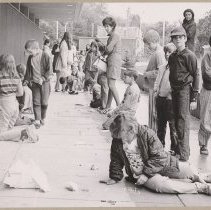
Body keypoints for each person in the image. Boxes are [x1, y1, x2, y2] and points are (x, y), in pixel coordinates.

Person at [100, 113, 211, 196]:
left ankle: (201, 177)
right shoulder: (118, 140)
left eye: (122, 136)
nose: (121, 140)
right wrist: (114, 177)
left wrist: (146, 174)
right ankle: (199, 187)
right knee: (161, 185)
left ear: (131, 129)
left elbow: (160, 156)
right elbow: (115, 159)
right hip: (142, 174)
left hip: (161, 164)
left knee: (188, 170)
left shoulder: (147, 134)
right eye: (118, 137)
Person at [168, 26, 199, 161]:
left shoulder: (190, 55)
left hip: (184, 91)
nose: (178, 40)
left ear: (185, 39)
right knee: (174, 121)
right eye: (175, 38)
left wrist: (194, 98)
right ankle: (176, 150)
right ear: (173, 40)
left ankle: (184, 154)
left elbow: (196, 76)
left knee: (183, 121)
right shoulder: (172, 56)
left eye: (180, 37)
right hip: (174, 91)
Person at [0, 54, 38, 143]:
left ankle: (25, 133)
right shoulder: (16, 76)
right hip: (14, 105)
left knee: (1, 134)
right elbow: (20, 93)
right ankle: (25, 133)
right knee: (8, 130)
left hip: (5, 106)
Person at [153, 43, 178, 154]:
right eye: (166, 52)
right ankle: (160, 145)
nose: (167, 54)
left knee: (173, 125)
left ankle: (174, 148)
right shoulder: (163, 67)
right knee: (161, 124)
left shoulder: (177, 67)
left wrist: (170, 95)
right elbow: (157, 81)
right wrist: (156, 93)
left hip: (170, 100)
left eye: (170, 52)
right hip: (161, 98)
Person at [24, 39, 52, 129]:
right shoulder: (30, 58)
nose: (28, 53)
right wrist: (26, 80)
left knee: (44, 102)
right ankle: (37, 120)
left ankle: (43, 117)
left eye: (29, 51)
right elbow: (28, 71)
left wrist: (43, 78)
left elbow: (50, 70)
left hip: (45, 83)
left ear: (36, 49)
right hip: (35, 82)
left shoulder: (45, 56)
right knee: (36, 101)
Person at [143, 30, 166, 132]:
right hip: (153, 87)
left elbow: (161, 72)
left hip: (155, 88)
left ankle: (153, 134)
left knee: (154, 113)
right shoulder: (157, 52)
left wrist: (147, 74)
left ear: (154, 41)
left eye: (149, 44)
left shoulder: (159, 53)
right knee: (152, 113)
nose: (148, 46)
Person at [100, 17, 122, 114]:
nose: (106, 28)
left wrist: (102, 47)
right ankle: (108, 107)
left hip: (114, 61)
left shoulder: (115, 36)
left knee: (111, 85)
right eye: (105, 26)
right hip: (112, 60)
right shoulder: (111, 36)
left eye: (108, 26)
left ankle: (119, 108)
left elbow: (108, 49)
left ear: (113, 26)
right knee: (110, 85)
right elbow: (108, 50)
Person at [198, 36, 211, 155]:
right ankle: (203, 145)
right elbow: (207, 74)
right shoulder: (207, 56)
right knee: (206, 119)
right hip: (208, 91)